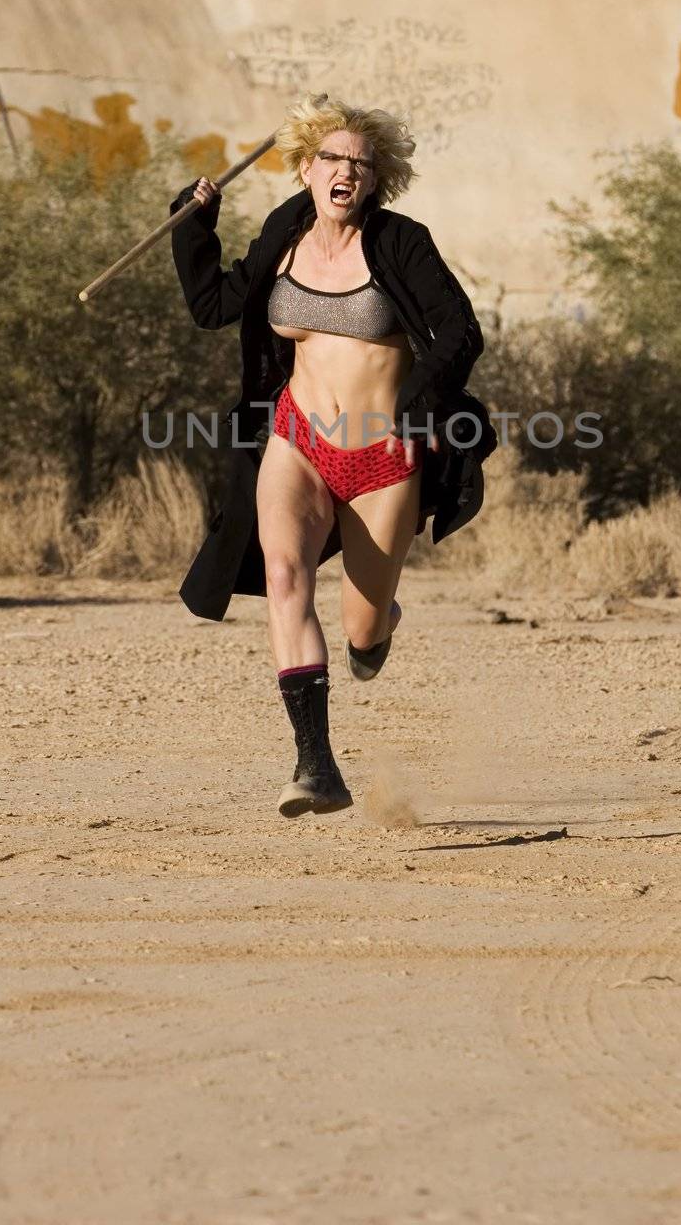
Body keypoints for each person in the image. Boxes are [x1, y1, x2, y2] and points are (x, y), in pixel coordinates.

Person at [170, 94, 496, 818]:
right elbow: (215, 305)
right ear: (305, 168)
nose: (346, 171)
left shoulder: (400, 243)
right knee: (284, 575)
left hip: (383, 456)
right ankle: (315, 766)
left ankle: (378, 625)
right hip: (297, 440)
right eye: (333, 158)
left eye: (361, 163)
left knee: (361, 629)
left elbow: (458, 333)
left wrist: (421, 413)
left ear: (377, 180)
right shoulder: (283, 232)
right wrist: (193, 227)